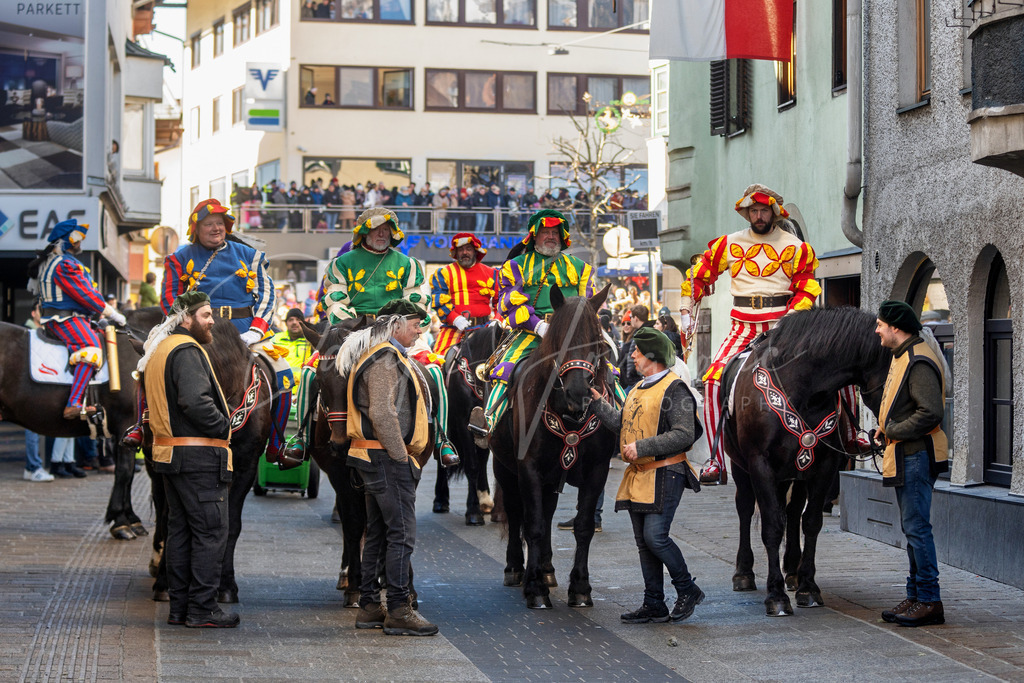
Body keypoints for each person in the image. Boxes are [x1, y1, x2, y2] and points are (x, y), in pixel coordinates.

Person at [123, 199, 295, 464]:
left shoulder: (250, 255)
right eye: (209, 224)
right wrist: (187, 327)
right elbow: (170, 298)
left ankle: (276, 443)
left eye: (220, 224)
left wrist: (256, 331)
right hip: (197, 331)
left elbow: (267, 295)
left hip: (245, 331)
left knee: (283, 374)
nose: (216, 229)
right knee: (147, 363)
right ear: (196, 228)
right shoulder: (178, 258)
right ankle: (140, 426)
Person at [680, 184, 819, 484]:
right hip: (742, 326)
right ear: (747, 213)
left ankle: (850, 436)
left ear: (774, 212)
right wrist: (685, 307)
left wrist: (792, 318)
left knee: (826, 366)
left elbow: (807, 287)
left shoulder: (796, 247)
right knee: (713, 381)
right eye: (753, 211)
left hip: (783, 325)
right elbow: (699, 275)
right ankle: (716, 459)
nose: (758, 216)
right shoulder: (729, 244)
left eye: (763, 210)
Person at [308, 208, 455, 464]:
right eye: (377, 229)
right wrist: (356, 329)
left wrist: (394, 324)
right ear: (364, 231)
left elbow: (416, 299)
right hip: (350, 334)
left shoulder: (408, 264)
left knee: (434, 373)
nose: (382, 233)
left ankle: (442, 438)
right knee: (310, 372)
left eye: (387, 229)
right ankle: (299, 437)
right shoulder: (341, 264)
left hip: (396, 332)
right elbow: (335, 299)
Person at [469, 210, 622, 443]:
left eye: (555, 233)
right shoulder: (515, 266)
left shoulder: (580, 267)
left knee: (608, 369)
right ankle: (488, 421)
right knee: (505, 369)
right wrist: (538, 325)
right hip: (531, 332)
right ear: (534, 236)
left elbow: (587, 301)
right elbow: (508, 301)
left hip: (572, 334)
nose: (551, 237)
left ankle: (626, 418)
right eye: (545, 232)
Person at [588, 327, 704, 624]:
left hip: (667, 471)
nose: (633, 356)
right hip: (641, 473)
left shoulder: (675, 388)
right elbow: (623, 424)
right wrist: (598, 404)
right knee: (644, 542)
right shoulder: (637, 389)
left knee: (655, 537)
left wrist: (641, 447)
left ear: (652, 355)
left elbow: (684, 434)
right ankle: (654, 602)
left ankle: (687, 589)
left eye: (638, 351)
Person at [140, 291, 238, 628]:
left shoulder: (162, 348)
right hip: (197, 455)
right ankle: (202, 610)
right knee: (211, 532)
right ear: (186, 318)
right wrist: (224, 425)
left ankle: (180, 608)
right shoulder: (186, 350)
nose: (212, 321)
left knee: (180, 532)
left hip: (171, 454)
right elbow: (194, 402)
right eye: (206, 315)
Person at [342, 299, 439, 636]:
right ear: (396, 324)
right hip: (385, 457)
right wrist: (402, 457)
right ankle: (398, 608)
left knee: (380, 533)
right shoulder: (384, 360)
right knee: (401, 534)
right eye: (415, 324)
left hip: (377, 456)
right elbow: (383, 415)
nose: (419, 330)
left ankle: (370, 606)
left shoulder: (384, 354)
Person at [874, 300, 948, 628]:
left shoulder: (918, 359)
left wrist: (892, 430)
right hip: (906, 454)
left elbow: (930, 411)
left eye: (880, 324)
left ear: (896, 328)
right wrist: (883, 428)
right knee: (912, 528)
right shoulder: (902, 355)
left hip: (916, 455)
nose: (877, 329)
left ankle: (929, 601)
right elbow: (900, 404)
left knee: (917, 529)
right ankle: (916, 596)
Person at [36, 219, 127, 419]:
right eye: (76, 239)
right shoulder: (64, 264)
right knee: (92, 347)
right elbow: (86, 295)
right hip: (64, 319)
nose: (79, 243)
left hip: (69, 317)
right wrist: (112, 313)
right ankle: (74, 402)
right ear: (66, 241)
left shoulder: (55, 262)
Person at [429, 233, 496, 357]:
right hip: (453, 329)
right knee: (438, 362)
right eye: (461, 249)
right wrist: (454, 318)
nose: (465, 252)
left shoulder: (492, 273)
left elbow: (502, 301)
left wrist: (497, 319)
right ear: (456, 252)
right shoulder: (444, 273)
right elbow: (439, 302)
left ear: (475, 251)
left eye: (468, 249)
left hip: (486, 330)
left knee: (500, 364)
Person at [270, 308, 313, 397]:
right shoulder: (275, 339)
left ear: (303, 323)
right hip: (279, 392)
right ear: (286, 323)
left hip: (303, 393)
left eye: (298, 320)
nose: (294, 322)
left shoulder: (310, 341)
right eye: (291, 320)